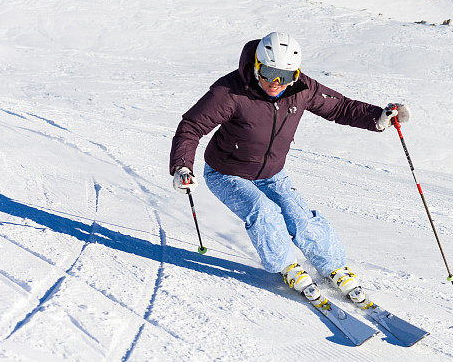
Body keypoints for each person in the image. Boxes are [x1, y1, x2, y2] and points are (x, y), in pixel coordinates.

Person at [169, 31, 410, 306]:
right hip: (227, 172)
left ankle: (334, 267)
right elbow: (191, 126)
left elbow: (340, 107)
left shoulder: (302, 89)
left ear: (295, 75)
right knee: (264, 212)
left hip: (272, 173)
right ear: (256, 66)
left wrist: (378, 118)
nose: (274, 83)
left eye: (283, 76)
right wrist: (181, 166)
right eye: (268, 73)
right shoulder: (229, 91)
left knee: (301, 218)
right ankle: (286, 265)